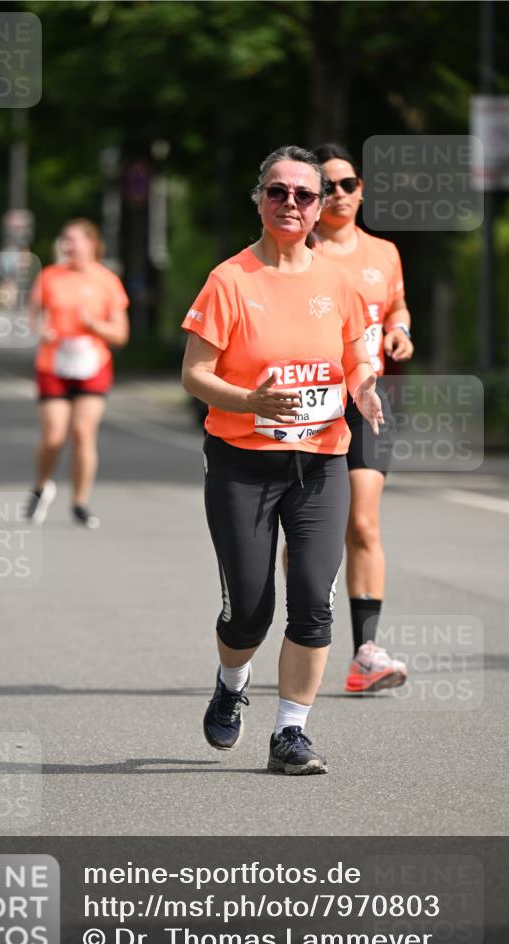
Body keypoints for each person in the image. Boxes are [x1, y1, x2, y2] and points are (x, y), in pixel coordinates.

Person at [182, 146, 382, 775]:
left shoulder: (339, 281)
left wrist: (365, 387)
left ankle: (290, 734)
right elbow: (194, 374)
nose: (290, 204)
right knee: (248, 611)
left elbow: (356, 359)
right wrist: (250, 399)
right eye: (277, 192)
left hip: (322, 460)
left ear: (321, 206)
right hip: (243, 461)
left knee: (313, 602)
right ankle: (231, 681)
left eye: (303, 194)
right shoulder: (230, 280)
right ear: (260, 198)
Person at [311, 142, 414, 693]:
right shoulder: (300, 251)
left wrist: (401, 332)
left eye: (348, 184)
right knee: (310, 531)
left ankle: (366, 652)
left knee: (364, 522)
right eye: (327, 186)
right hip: (313, 404)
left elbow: (395, 306)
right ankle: (302, 625)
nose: (339, 194)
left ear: (362, 190)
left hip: (368, 401)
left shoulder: (384, 253)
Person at [25, 219, 129, 528]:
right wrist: (40, 329)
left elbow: (120, 334)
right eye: (64, 240)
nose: (67, 245)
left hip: (91, 365)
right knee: (54, 435)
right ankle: (42, 486)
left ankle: (80, 502)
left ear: (92, 243)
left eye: (73, 240)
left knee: (83, 433)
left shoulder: (107, 281)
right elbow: (33, 314)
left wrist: (94, 325)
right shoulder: (49, 276)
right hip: (54, 364)